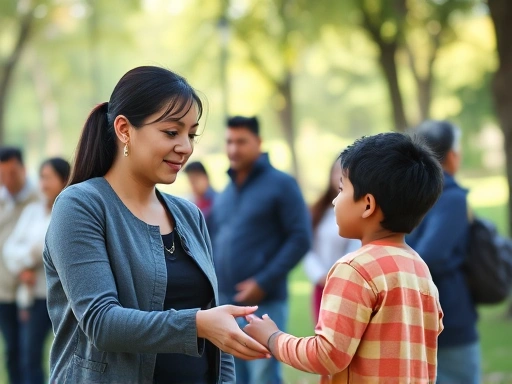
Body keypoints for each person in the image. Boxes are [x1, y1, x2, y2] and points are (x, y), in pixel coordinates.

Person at [42, 66, 270, 384]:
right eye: (171, 132)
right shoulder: (80, 206)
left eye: (191, 134)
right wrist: (198, 325)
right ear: (124, 129)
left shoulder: (189, 216)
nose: (186, 147)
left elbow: (219, 334)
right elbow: (101, 322)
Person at [244, 132, 445, 383]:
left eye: (341, 190)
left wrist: (273, 338)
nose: (335, 201)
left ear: (368, 205)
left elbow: (327, 355)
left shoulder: (354, 269)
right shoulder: (419, 268)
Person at [208, 115, 312, 384]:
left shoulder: (282, 184)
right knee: (231, 376)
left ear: (259, 142)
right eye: (229, 142)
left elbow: (300, 238)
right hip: (226, 303)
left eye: (241, 141)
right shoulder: (226, 192)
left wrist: (263, 282)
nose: (233, 149)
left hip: (265, 302)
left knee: (264, 375)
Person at [407, 120, 480, 384]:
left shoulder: (404, 191)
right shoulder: (450, 197)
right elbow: (430, 255)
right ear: (451, 155)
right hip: (447, 314)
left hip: (414, 314)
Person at [3, 157, 70, 384]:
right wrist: (25, 268)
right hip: (34, 297)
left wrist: (31, 254)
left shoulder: (71, 210)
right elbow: (10, 249)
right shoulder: (33, 211)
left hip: (65, 298)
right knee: (28, 357)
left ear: (64, 180)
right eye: (41, 177)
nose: (43, 184)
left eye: (48, 178)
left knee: (66, 358)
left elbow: (46, 244)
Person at [0, 146, 39, 384]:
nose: (7, 181)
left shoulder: (39, 198)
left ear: (24, 169)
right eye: (2, 175)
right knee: (11, 351)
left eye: (12, 174)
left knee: (29, 355)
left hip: (30, 291)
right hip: (3, 290)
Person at [304, 158, 360, 323]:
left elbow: (355, 245)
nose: (339, 178)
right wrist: (320, 275)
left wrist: (338, 275)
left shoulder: (358, 212)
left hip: (346, 284)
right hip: (321, 284)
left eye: (345, 174)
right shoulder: (317, 211)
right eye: (337, 172)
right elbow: (308, 248)